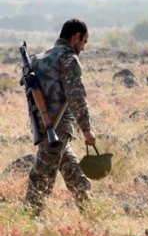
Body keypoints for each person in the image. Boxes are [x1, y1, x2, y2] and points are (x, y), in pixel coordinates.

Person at [25, 18, 95, 216]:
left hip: (44, 127)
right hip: (58, 128)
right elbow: (76, 95)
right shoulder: (68, 59)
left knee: (75, 174)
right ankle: (29, 220)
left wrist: (42, 123)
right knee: (42, 178)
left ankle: (93, 216)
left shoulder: (39, 58)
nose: (83, 47)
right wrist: (86, 129)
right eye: (84, 42)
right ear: (76, 37)